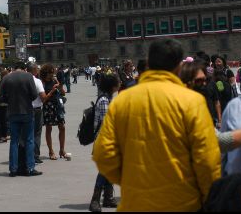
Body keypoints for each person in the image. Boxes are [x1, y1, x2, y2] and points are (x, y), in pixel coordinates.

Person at [93, 39, 220, 211]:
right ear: (178, 66)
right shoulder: (192, 101)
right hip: (182, 203)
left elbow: (103, 154)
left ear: (149, 63)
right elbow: (207, 160)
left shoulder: (122, 101)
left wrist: (130, 181)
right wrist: (208, 198)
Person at [0, 63, 40, 177]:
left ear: (13, 68)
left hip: (12, 112)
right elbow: (33, 95)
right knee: (29, 140)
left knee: (14, 141)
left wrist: (11, 101)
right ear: (25, 68)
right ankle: (30, 168)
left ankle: (13, 169)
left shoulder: (6, 77)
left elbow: (1, 97)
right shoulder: (28, 76)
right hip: (27, 111)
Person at [89, 72, 121, 212]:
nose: (120, 83)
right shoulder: (103, 101)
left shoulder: (108, 98)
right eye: (117, 81)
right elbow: (107, 123)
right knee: (104, 170)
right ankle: (95, 200)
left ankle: (108, 198)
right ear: (112, 85)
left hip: (108, 139)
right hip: (104, 139)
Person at [40, 63, 68, 160]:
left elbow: (63, 93)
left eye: (53, 72)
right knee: (49, 128)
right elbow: (43, 98)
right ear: (45, 73)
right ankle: (51, 151)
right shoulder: (42, 83)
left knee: (62, 127)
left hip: (58, 106)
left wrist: (59, 86)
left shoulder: (54, 80)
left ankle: (62, 150)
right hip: (48, 107)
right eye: (50, 72)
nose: (52, 74)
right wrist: (52, 90)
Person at [28, 63, 47, 164]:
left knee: (26, 133)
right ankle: (35, 156)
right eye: (38, 69)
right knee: (36, 133)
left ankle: (27, 155)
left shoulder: (24, 80)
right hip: (37, 110)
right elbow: (43, 97)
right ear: (34, 70)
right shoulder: (37, 81)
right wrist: (51, 92)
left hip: (25, 109)